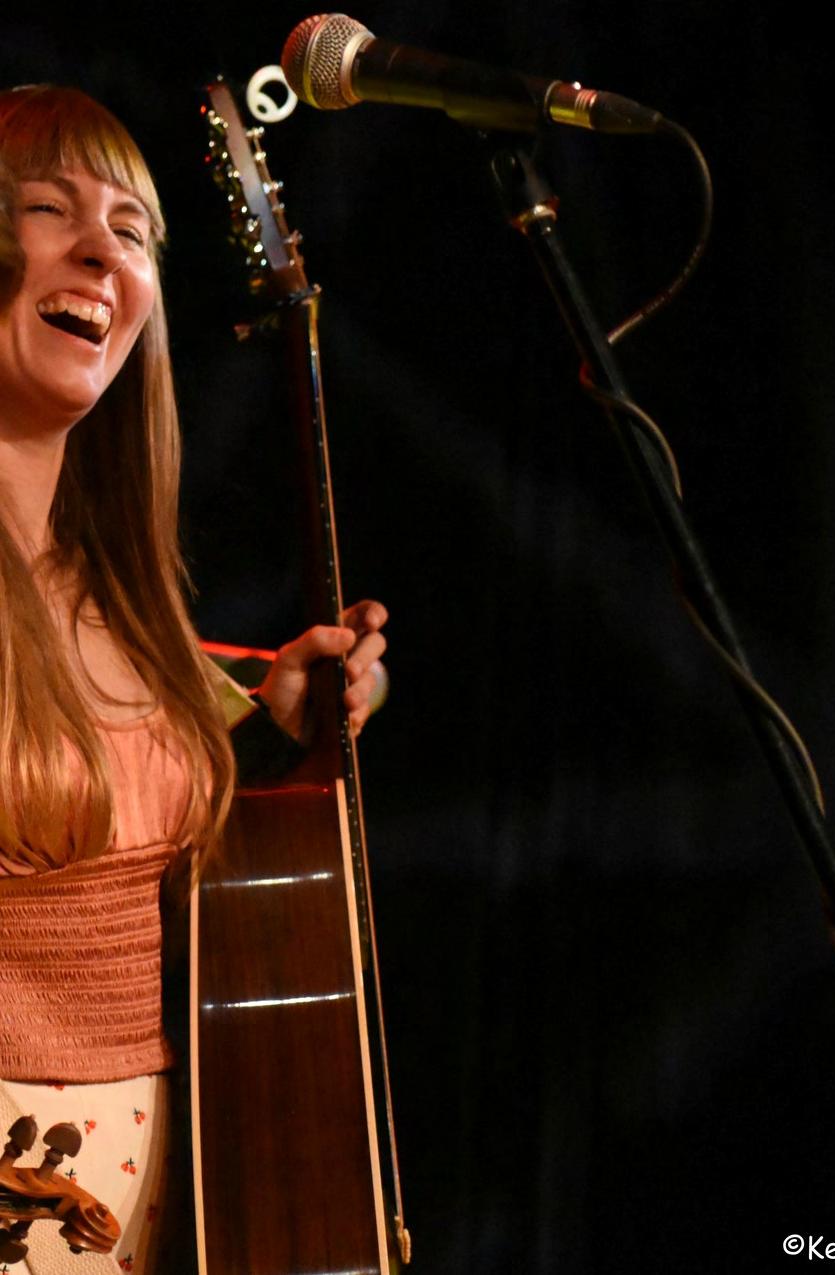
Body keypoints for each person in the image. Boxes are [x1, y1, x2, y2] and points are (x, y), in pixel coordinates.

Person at [0, 84, 387, 1273]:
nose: (99, 251)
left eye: (131, 229)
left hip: (142, 1207)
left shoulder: (123, 600)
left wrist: (266, 735)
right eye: (48, 210)